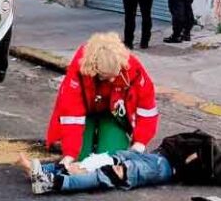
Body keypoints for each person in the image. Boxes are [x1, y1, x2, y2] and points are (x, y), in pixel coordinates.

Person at [19, 128, 221, 194]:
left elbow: (206, 162)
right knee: (113, 157)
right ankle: (52, 169)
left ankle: (53, 182)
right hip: (163, 157)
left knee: (117, 172)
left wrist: (189, 156)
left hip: (166, 166)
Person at [45, 32, 158, 164]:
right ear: (93, 69)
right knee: (80, 159)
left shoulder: (133, 69)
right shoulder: (78, 71)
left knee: (111, 159)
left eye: (115, 74)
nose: (113, 80)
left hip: (114, 116)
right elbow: (72, 116)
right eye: (106, 77)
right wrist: (70, 154)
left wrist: (140, 142)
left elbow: (147, 109)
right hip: (86, 114)